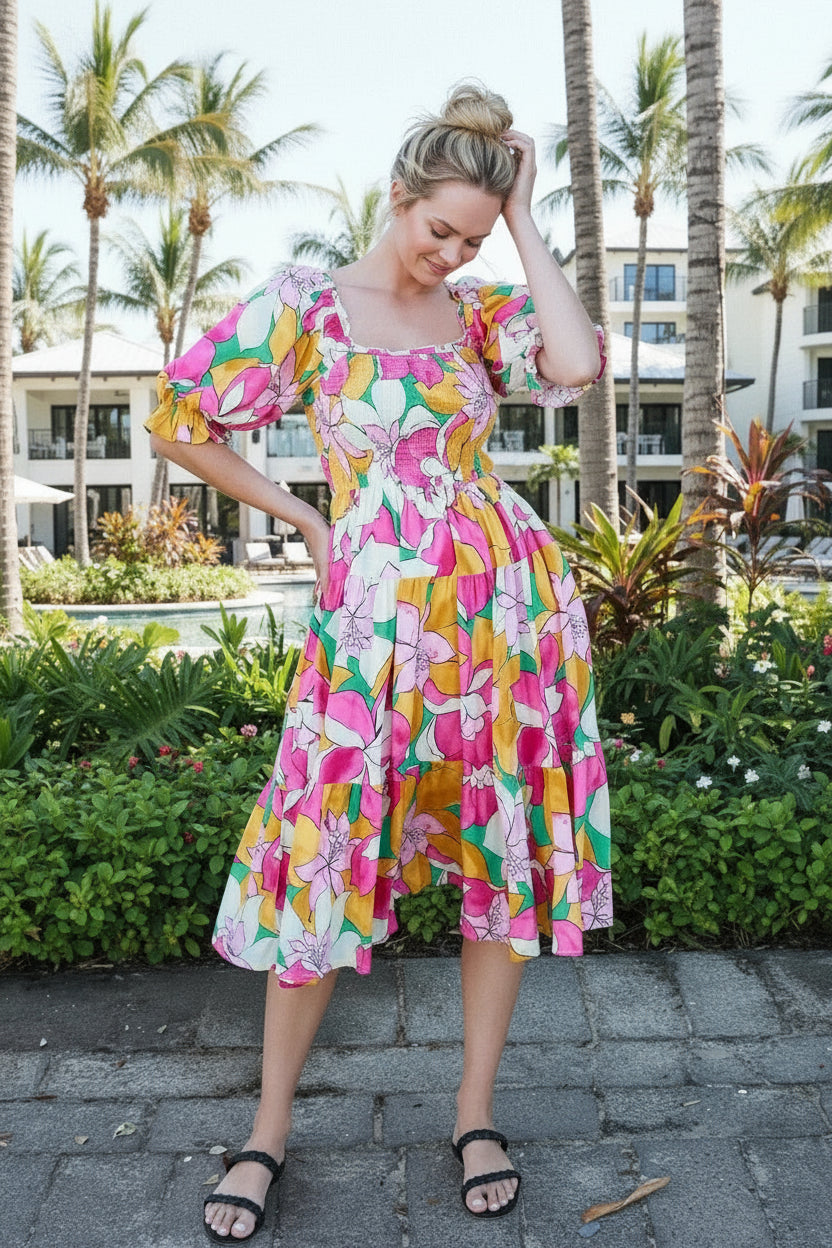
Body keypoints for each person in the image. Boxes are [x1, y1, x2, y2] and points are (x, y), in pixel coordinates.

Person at [146, 81, 612, 1242]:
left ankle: (472, 1110)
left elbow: (571, 362)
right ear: (396, 194)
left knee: (501, 846)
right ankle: (265, 1129)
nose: (447, 252)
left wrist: (520, 217)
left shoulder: (481, 308)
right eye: (436, 227)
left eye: (469, 235)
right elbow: (178, 416)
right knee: (323, 845)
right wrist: (304, 519)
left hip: (505, 611)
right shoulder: (308, 302)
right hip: (370, 625)